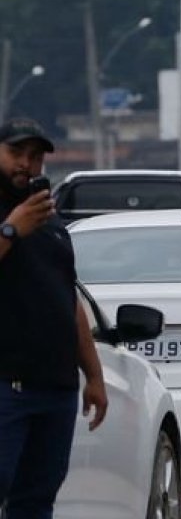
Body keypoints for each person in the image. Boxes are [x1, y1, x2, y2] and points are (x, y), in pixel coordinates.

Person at [0, 119, 107, 517]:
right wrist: (12, 230)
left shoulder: (50, 222)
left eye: (35, 157)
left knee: (36, 502)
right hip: (6, 386)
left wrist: (93, 375)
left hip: (56, 389)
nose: (26, 165)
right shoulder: (17, 221)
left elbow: (68, 299)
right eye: (16, 154)